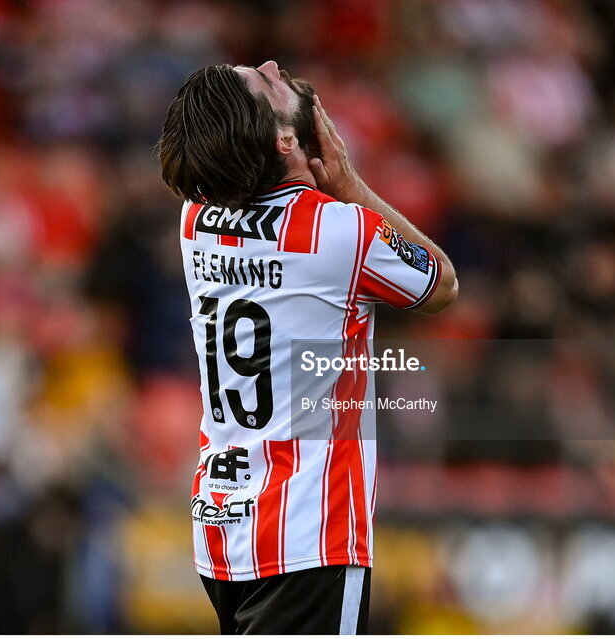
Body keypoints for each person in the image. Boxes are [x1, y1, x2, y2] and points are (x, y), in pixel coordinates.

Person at [157, 60, 458, 634]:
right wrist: (350, 184)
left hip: (222, 522)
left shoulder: (195, 220)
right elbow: (442, 284)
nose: (274, 66)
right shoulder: (344, 231)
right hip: (308, 532)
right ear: (285, 137)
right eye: (266, 81)